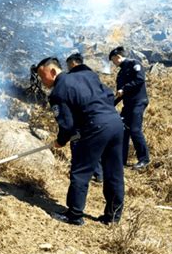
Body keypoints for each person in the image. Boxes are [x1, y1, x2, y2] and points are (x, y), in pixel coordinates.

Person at [34, 56, 124, 226]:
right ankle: (113, 217)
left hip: (95, 126)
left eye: (42, 76)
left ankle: (74, 215)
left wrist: (61, 141)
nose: (42, 81)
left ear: (52, 71)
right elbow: (108, 94)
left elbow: (66, 125)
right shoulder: (87, 74)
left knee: (80, 171)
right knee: (114, 171)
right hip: (115, 122)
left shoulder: (58, 92)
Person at [109, 46, 150, 170]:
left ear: (118, 57)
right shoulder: (120, 73)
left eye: (113, 60)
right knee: (122, 129)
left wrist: (124, 89)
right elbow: (120, 93)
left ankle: (144, 159)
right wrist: (110, 106)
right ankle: (121, 160)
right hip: (128, 104)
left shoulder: (134, 64)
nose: (113, 63)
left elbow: (140, 79)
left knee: (135, 129)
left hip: (138, 102)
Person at [66, 53, 103, 183]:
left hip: (79, 117)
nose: (68, 68)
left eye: (68, 65)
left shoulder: (72, 77)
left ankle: (76, 172)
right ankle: (99, 174)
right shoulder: (92, 75)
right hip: (95, 116)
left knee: (75, 142)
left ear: (74, 63)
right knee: (93, 145)